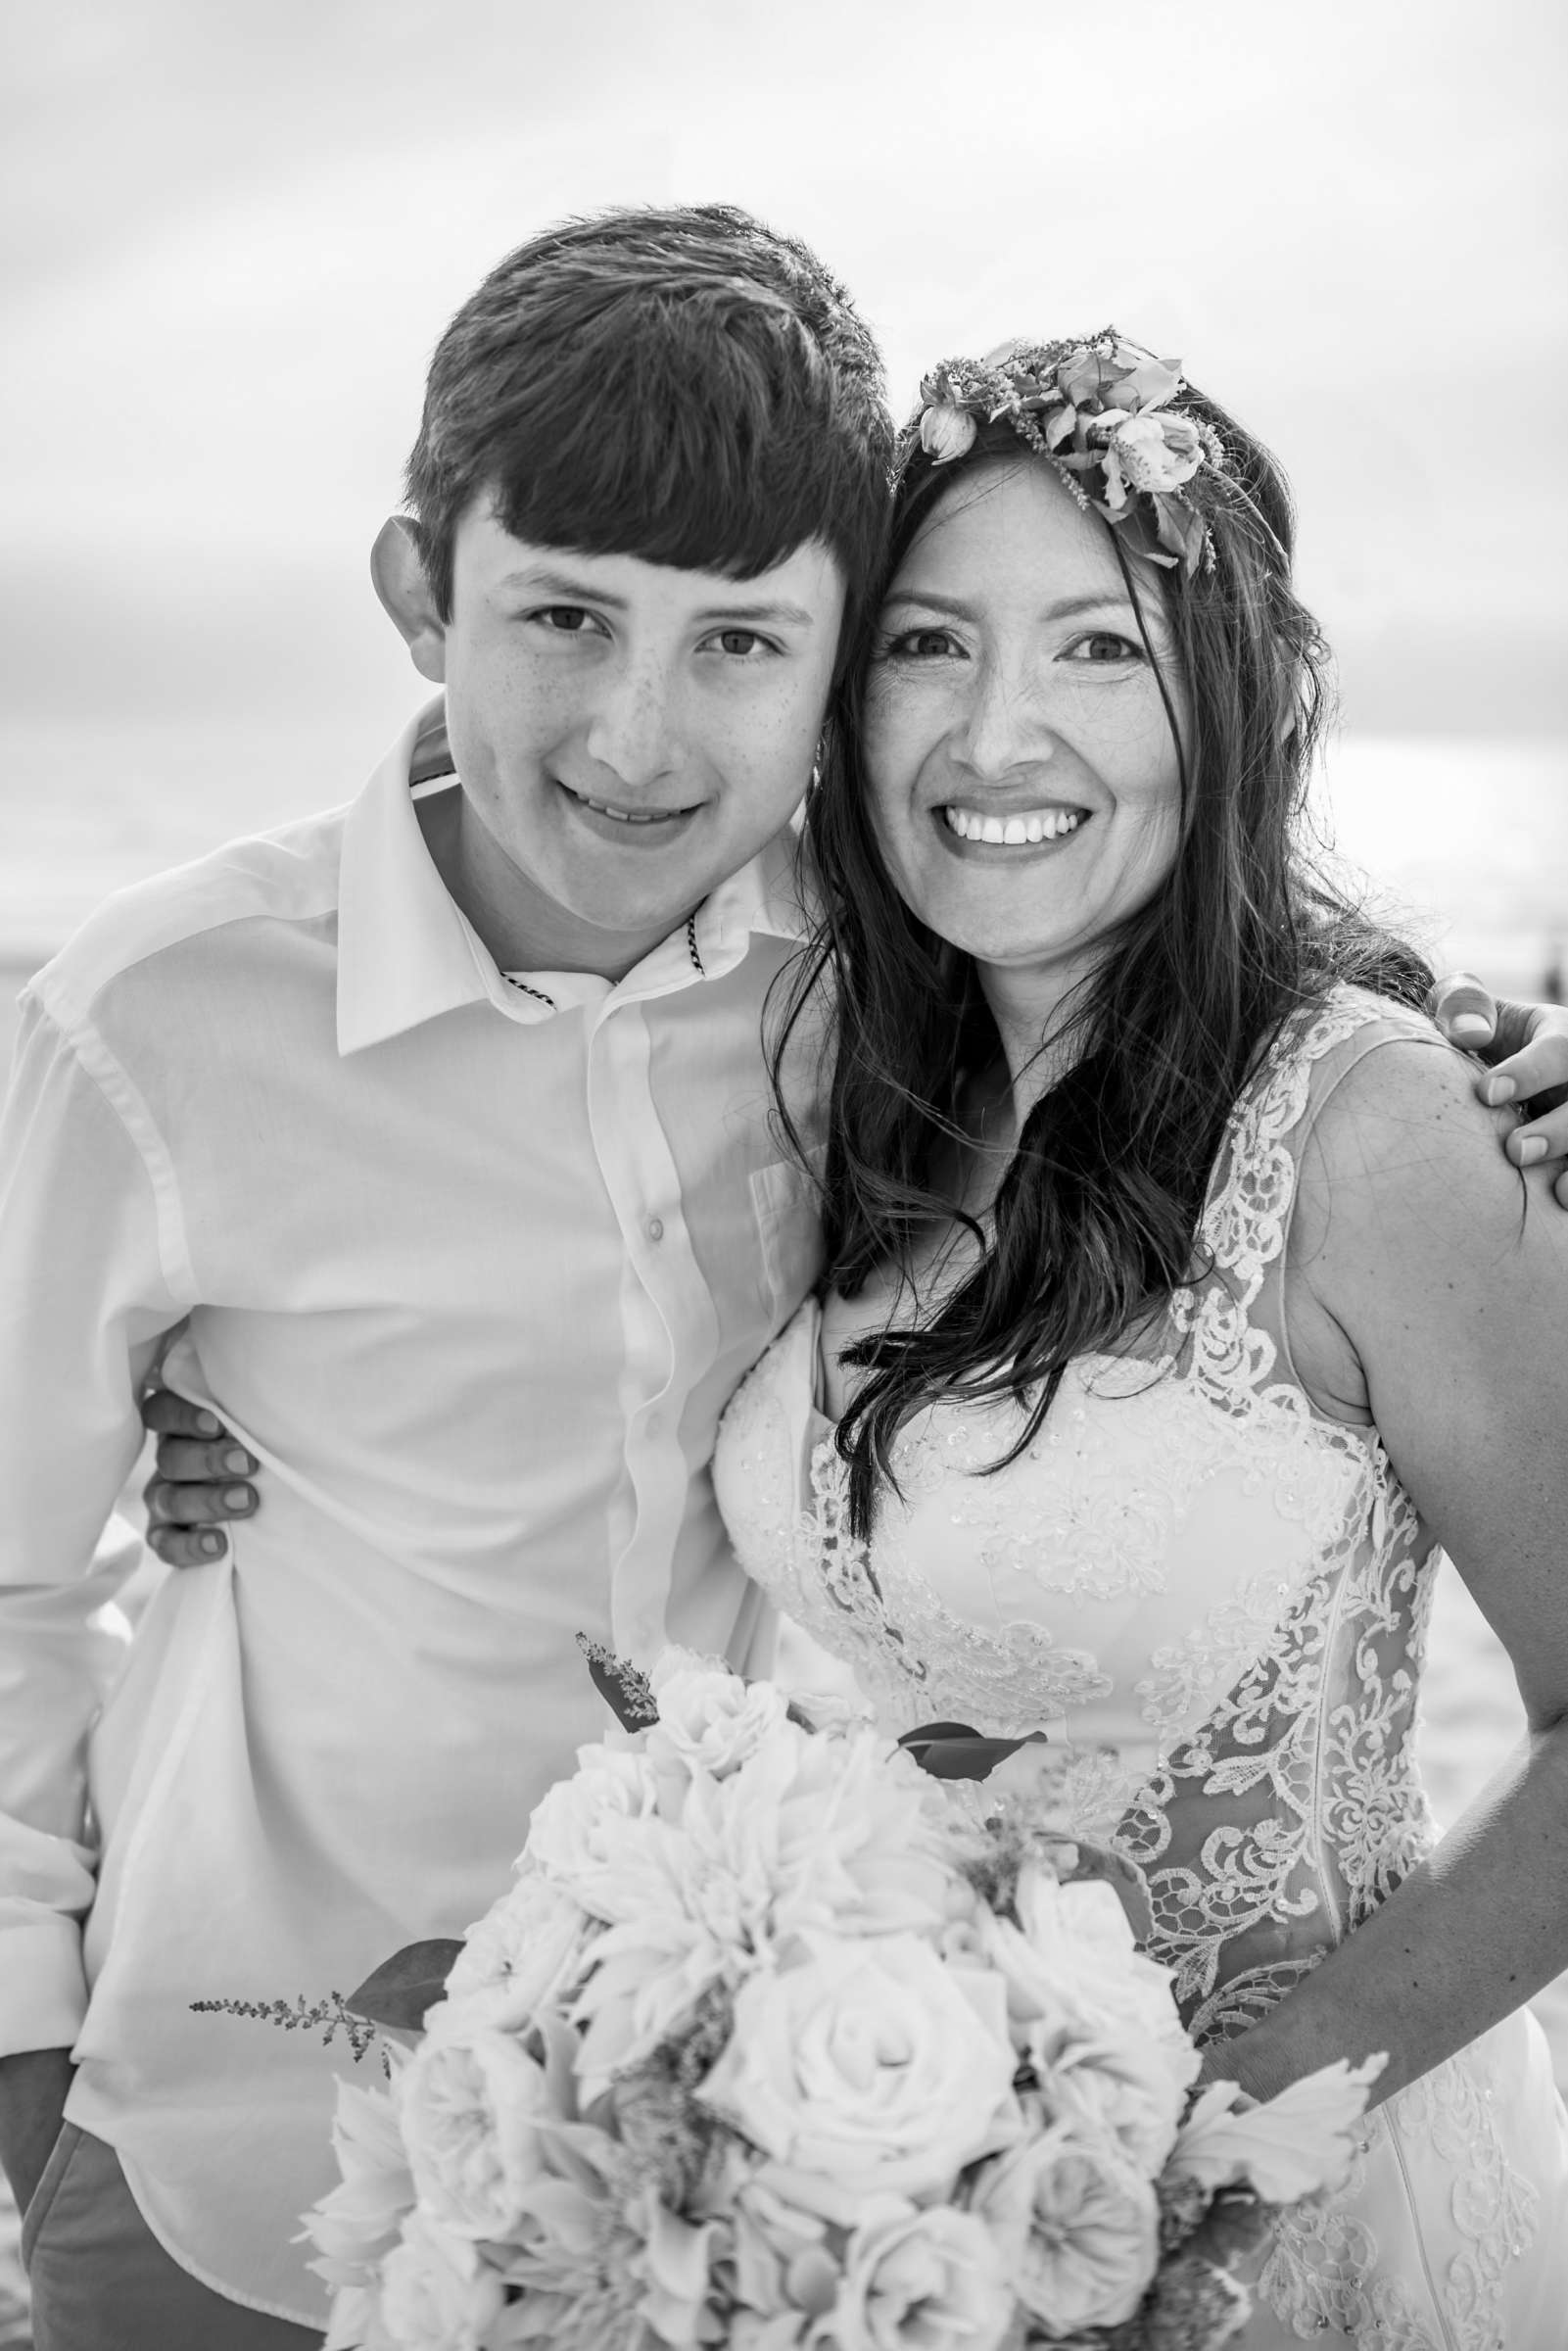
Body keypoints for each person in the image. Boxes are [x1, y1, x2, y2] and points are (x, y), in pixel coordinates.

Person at [0, 203, 889, 2346]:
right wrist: (27, 2081)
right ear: (420, 594)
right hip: (229, 2145)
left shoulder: (892, 999)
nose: (639, 740)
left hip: (750, 2150)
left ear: (845, 652)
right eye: (563, 618)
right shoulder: (162, 1017)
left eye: (739, 643)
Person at [707, 336, 1568, 2345]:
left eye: (1097, 649)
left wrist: (1204, 2169)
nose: (998, 735)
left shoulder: (1372, 1128)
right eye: (929, 644)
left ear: (1234, 702)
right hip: (912, 2209)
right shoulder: (843, 1089)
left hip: (1299, 2219)